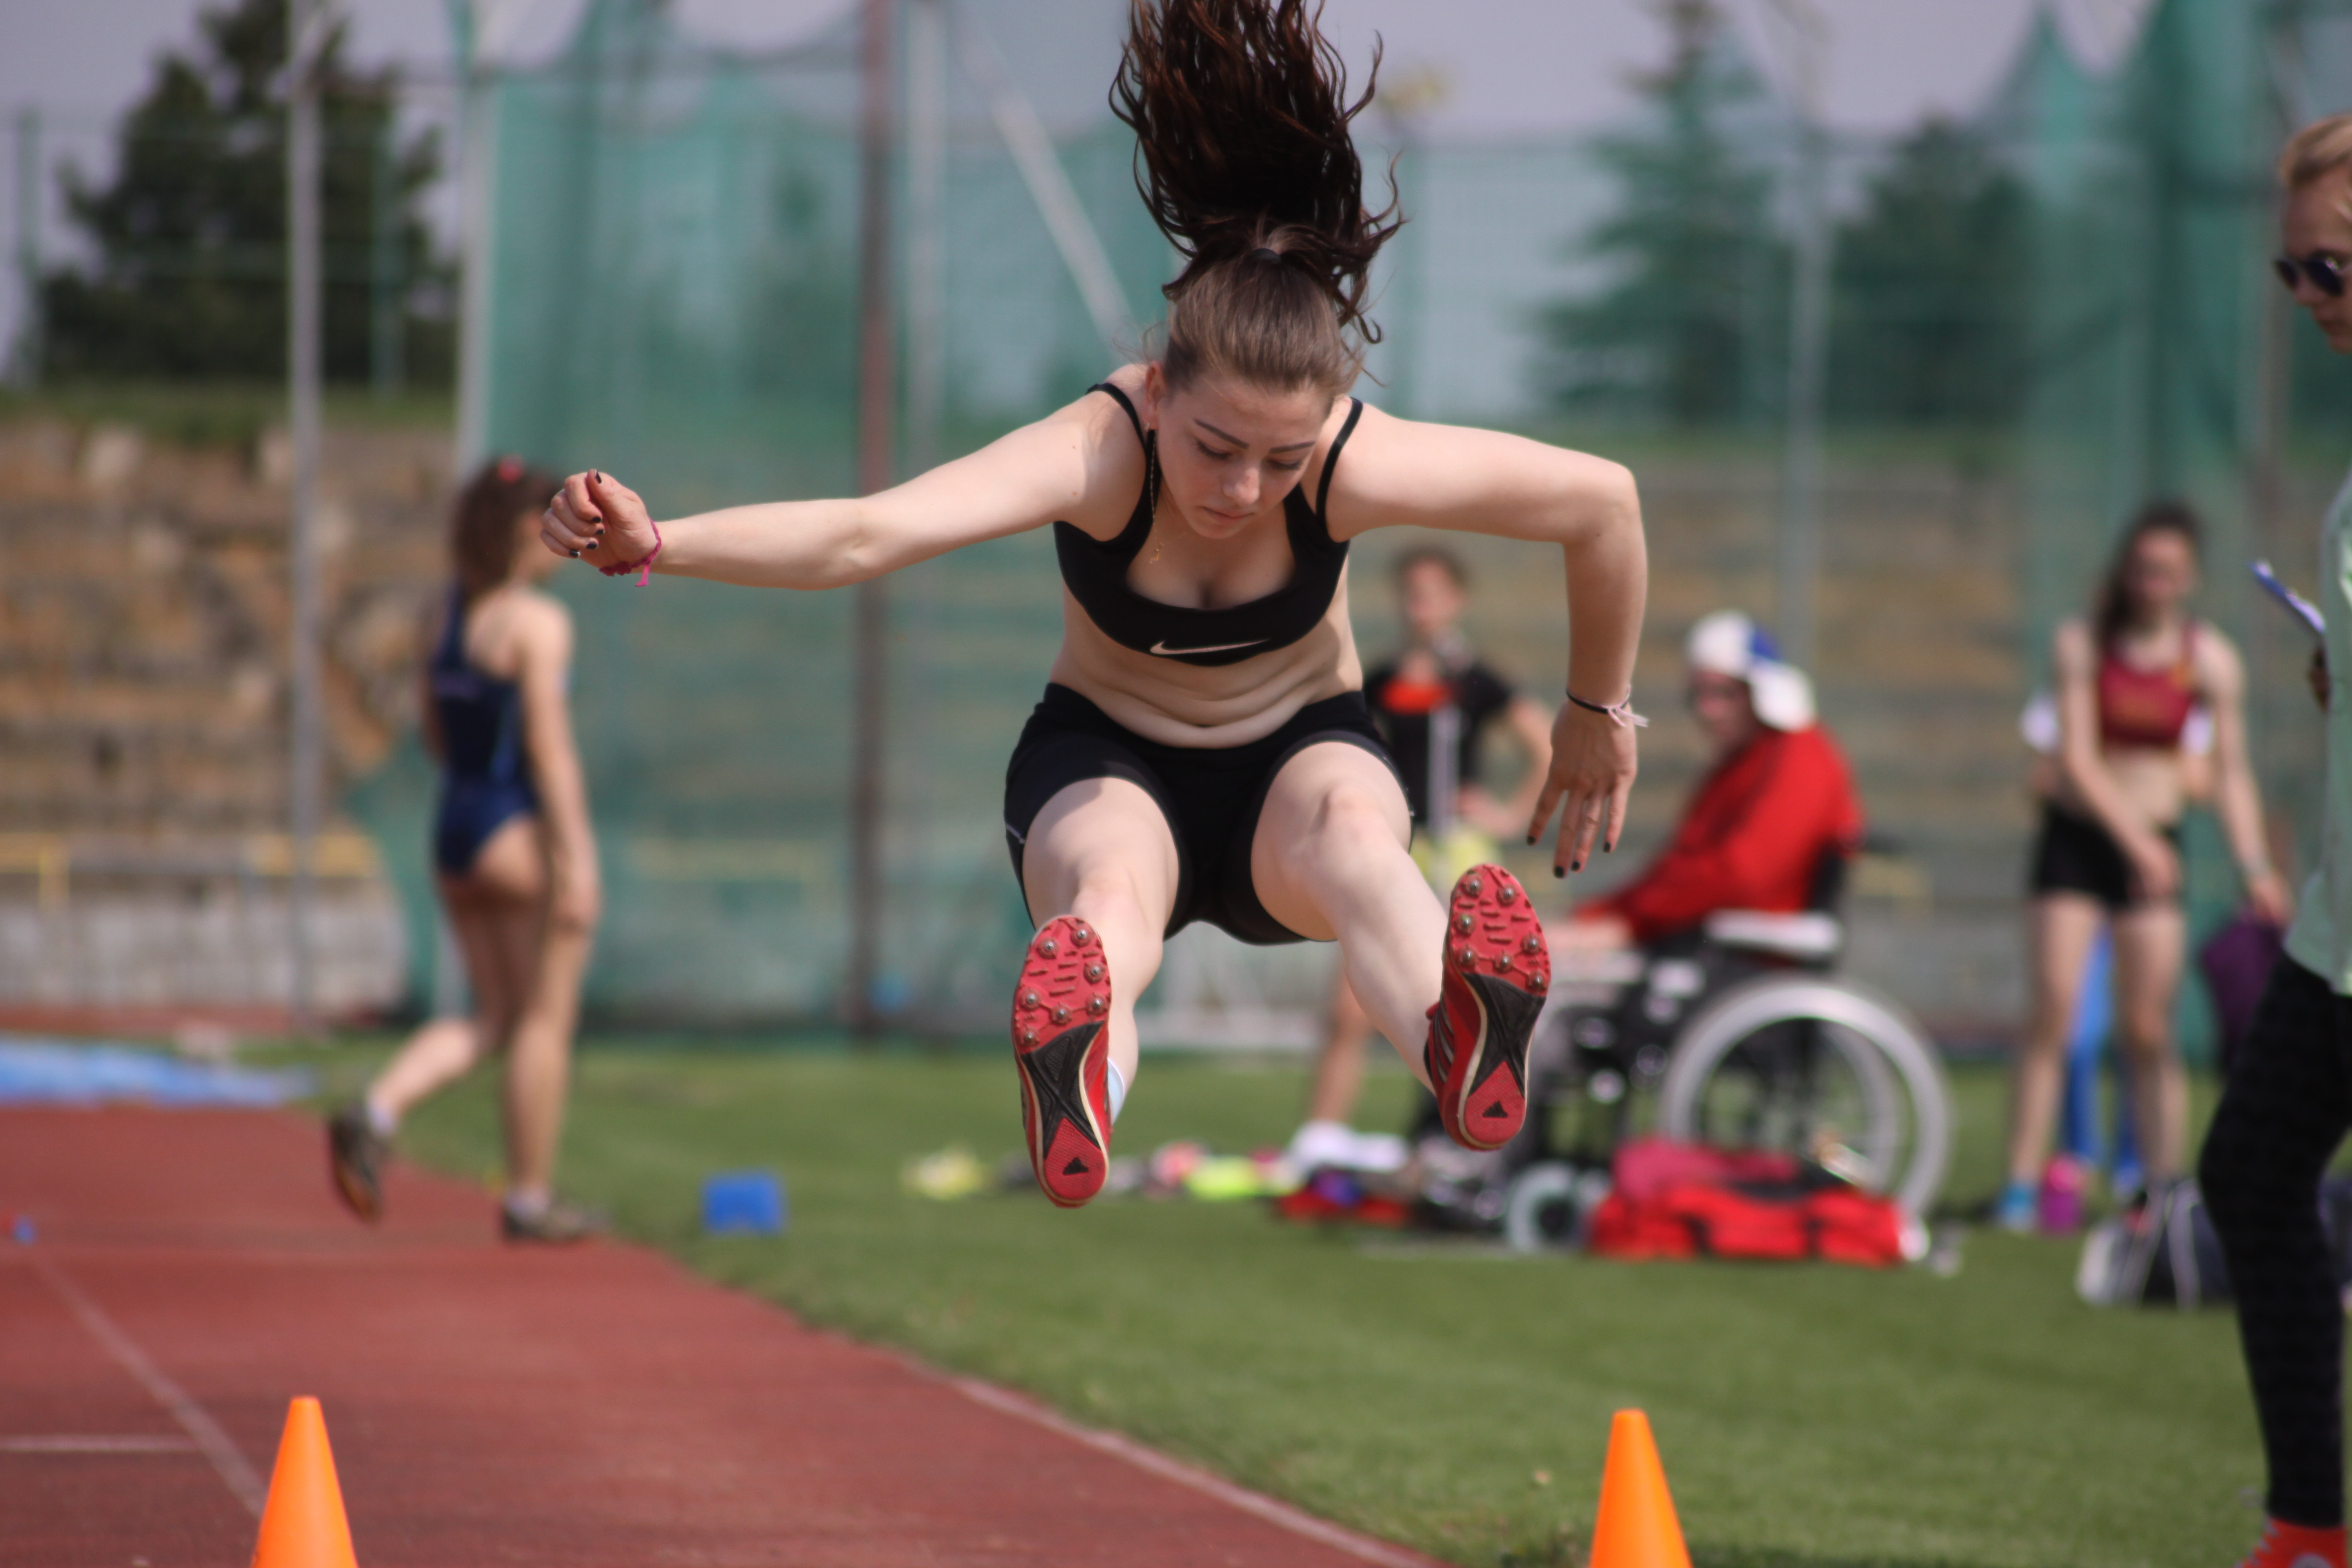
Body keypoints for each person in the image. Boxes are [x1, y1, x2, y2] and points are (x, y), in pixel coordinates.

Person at [536, 0, 1646, 1209]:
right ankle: (1082, 1094)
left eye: (1281, 461)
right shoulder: (1097, 449)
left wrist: (1598, 710)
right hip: (1114, 756)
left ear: (1323, 426)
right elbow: (867, 532)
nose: (1244, 488)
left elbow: (1603, 503)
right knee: (1107, 896)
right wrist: (661, 543)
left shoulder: (1347, 457)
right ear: (1158, 389)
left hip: (1297, 756)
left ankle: (1458, 1036)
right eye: (1216, 447)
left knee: (1360, 842)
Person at [328, 458, 606, 1244]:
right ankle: (529, 1199)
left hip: (456, 826)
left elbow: (435, 733)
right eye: (560, 527)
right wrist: (578, 860)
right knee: (544, 1020)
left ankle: (378, 1108)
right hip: (515, 831)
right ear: (523, 531)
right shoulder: (537, 623)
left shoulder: (445, 615)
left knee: (492, 1018)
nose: (572, 543)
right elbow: (549, 750)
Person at [2202, 112, 2352, 1568]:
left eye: (2331, 269)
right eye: (2289, 270)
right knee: (2250, 1174)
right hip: (2335, 928)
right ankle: (2308, 1524)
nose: (2307, 296)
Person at [1998, 502, 2288, 1232]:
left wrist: (2255, 864)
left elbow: (2231, 773)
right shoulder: (2082, 643)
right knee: (2053, 1009)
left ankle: (2162, 1189)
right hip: (2082, 842)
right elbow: (2076, 759)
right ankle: (2020, 1187)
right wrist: (2134, 840)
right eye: (2142, 569)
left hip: (2155, 849)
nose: (2152, 583)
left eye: (2167, 571)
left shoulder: (2210, 659)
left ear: (2189, 578)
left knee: (2149, 1025)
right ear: (2125, 571)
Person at [1289, 546, 1555, 1173]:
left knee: (1464, 993)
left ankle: (1465, 1135)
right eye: (1411, 591)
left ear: (1456, 600)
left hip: (1457, 852)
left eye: (1433, 592)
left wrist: (1509, 814)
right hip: (1400, 848)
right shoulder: (1381, 681)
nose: (1421, 604)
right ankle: (1321, 1135)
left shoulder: (1474, 680)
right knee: (1352, 995)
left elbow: (1544, 744)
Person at [1551, 611, 1860, 954]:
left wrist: (1630, 922)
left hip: (1746, 954)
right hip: (1708, 940)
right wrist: (1597, 915)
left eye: (1724, 693)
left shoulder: (1801, 756)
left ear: (1763, 691)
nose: (1706, 710)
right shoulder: (1742, 763)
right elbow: (1680, 864)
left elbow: (1741, 876)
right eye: (1698, 696)